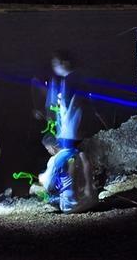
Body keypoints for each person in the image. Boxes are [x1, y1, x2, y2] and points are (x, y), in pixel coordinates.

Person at [33, 50, 97, 213]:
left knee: (64, 160)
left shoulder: (69, 80)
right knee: (82, 157)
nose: (54, 67)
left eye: (55, 63)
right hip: (79, 127)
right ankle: (87, 192)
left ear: (65, 63)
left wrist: (58, 123)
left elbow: (66, 106)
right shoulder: (79, 78)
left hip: (70, 129)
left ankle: (62, 193)